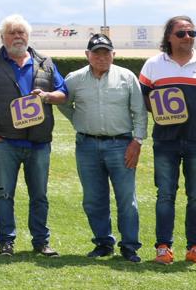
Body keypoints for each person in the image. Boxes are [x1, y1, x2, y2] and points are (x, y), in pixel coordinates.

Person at [139, 15, 196, 266]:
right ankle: (163, 248)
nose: (188, 37)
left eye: (192, 33)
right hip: (165, 141)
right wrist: (159, 107)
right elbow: (140, 98)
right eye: (181, 33)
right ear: (169, 37)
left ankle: (195, 248)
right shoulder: (153, 65)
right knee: (165, 195)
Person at [0, 15, 67, 257]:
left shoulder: (45, 63)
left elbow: (63, 93)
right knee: (4, 195)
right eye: (12, 33)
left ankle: (41, 242)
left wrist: (47, 96)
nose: (17, 37)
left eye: (21, 32)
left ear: (28, 36)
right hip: (5, 142)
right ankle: (6, 241)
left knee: (40, 195)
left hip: (39, 142)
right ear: (2, 37)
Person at [60, 34, 145, 262]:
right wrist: (78, 120)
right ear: (87, 55)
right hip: (86, 145)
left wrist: (137, 141)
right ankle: (103, 243)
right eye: (96, 53)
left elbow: (139, 112)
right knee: (93, 198)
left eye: (106, 52)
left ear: (113, 54)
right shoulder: (74, 79)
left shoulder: (127, 77)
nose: (101, 57)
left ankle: (129, 246)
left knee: (126, 198)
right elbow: (63, 103)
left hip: (121, 144)